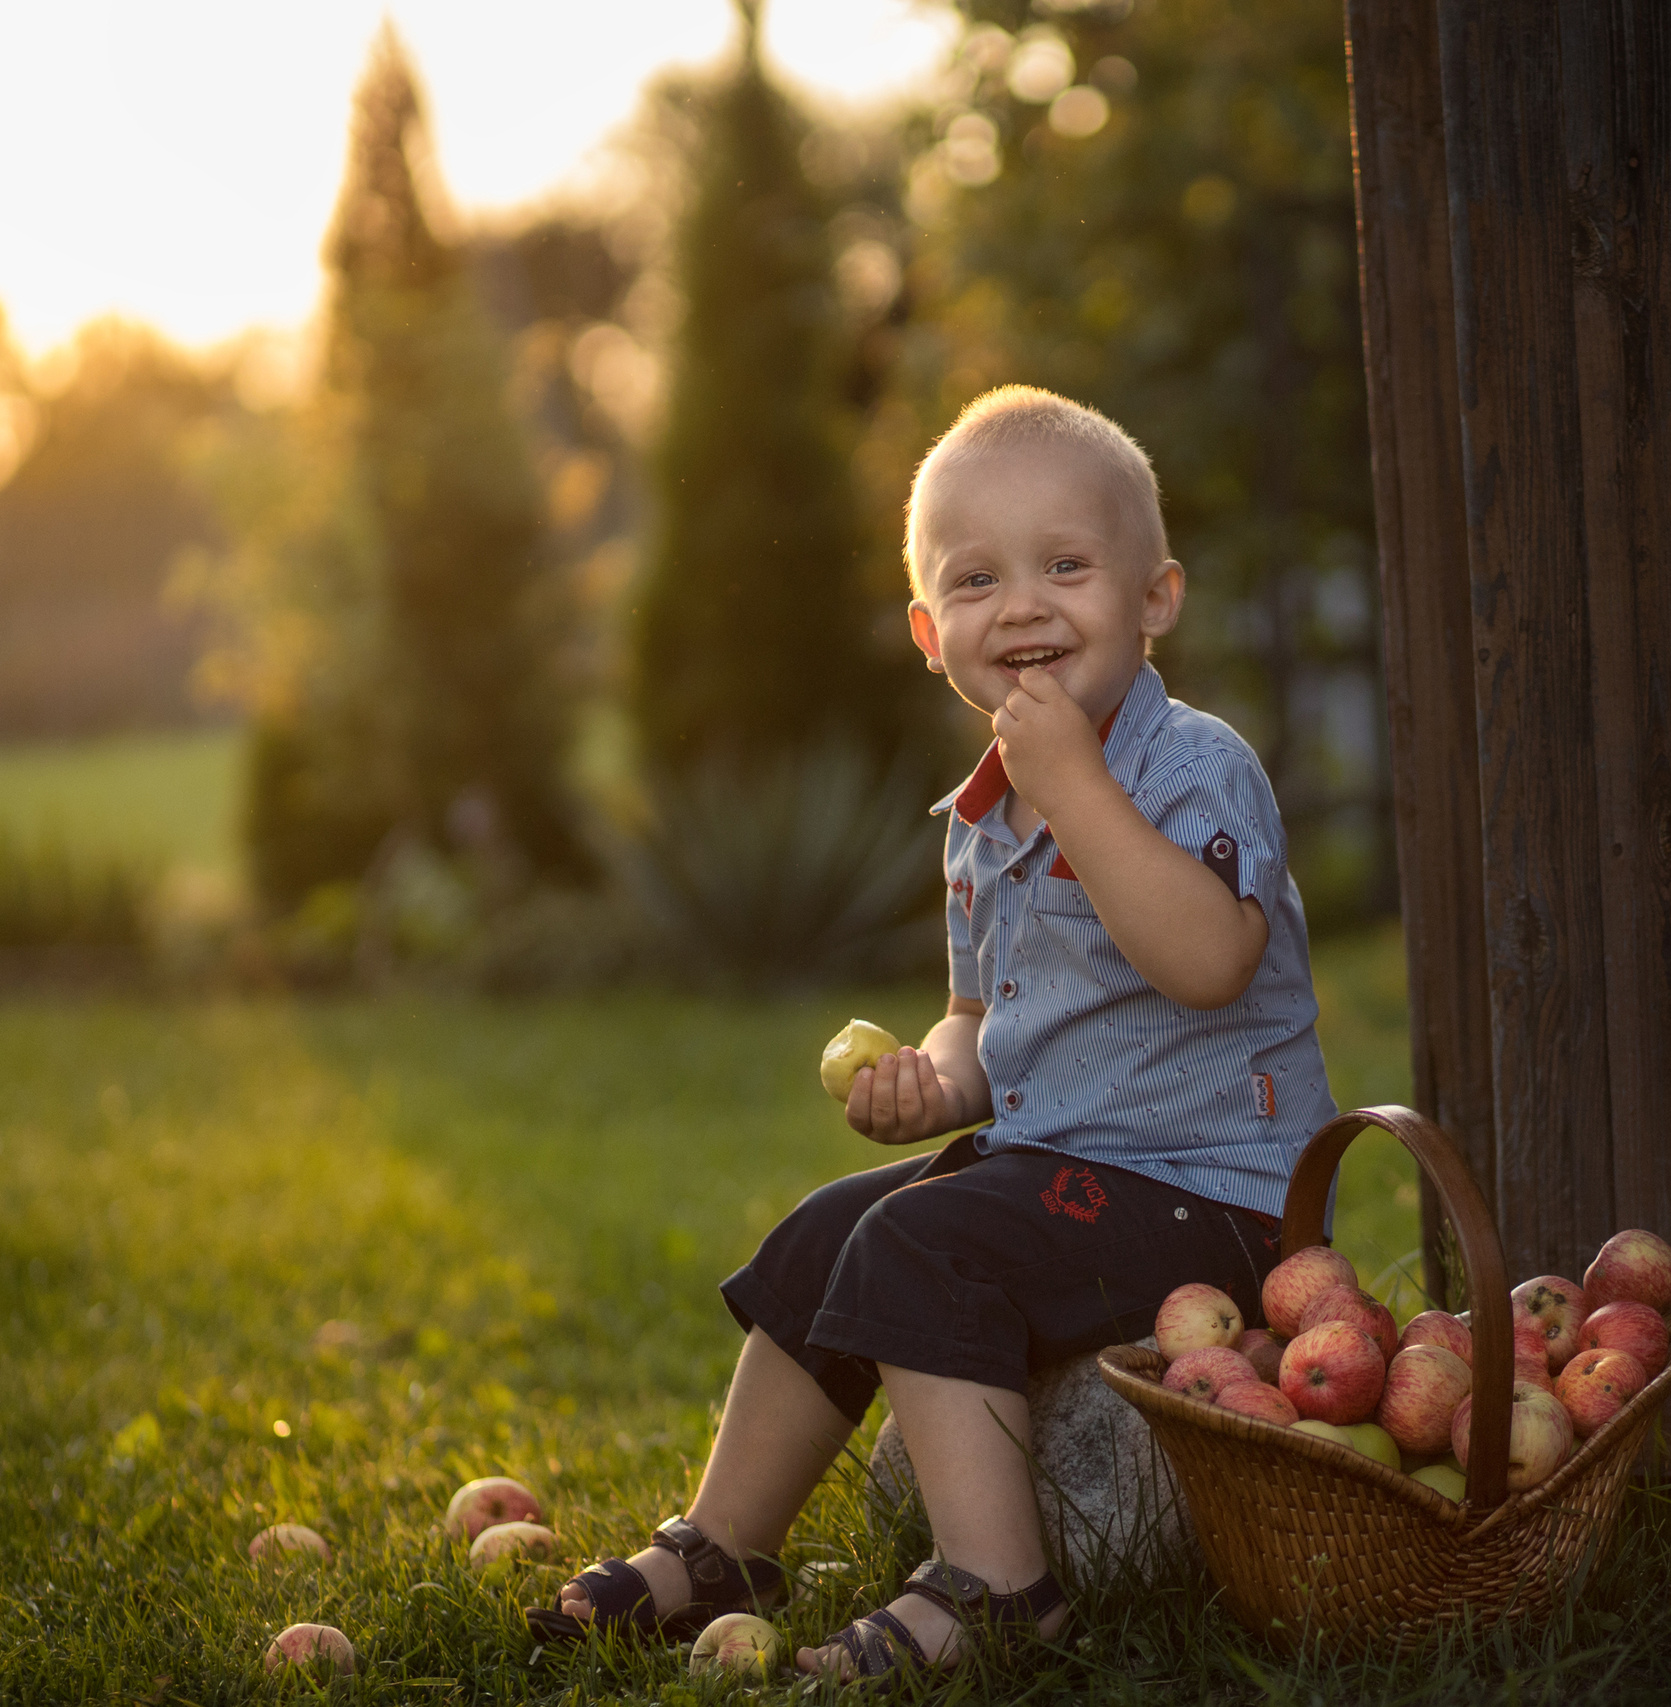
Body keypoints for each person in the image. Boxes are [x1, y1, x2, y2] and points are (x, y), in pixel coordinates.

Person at [527, 386, 1338, 1680]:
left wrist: (1075, 786)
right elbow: (984, 1030)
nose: (1020, 605)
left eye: (1066, 566)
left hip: (1214, 1203)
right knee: (824, 1235)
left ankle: (1000, 1593)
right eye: (976, 580)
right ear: (929, 632)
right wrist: (930, 1082)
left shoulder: (1194, 768)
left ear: (1155, 599)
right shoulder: (980, 819)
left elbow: (1205, 961)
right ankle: (724, 1544)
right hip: (1062, 1179)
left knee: (923, 1243)